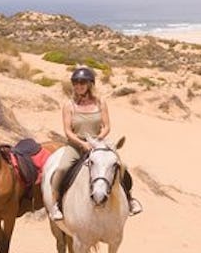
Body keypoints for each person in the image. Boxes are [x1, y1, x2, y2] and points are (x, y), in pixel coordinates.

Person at [44, 66, 142, 220]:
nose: (78, 86)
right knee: (62, 169)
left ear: (90, 84)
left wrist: (97, 140)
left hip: (98, 143)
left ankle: (129, 199)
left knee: (122, 166)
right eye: (75, 82)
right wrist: (82, 144)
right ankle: (56, 203)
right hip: (76, 144)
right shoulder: (69, 105)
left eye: (82, 82)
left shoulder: (100, 102)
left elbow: (107, 126)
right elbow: (68, 131)